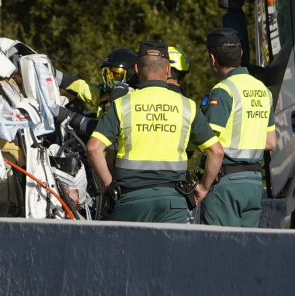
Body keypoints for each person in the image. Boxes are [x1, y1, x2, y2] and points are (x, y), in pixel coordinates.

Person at [87, 40, 224, 223]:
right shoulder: (187, 106)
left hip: (130, 200)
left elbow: (93, 148)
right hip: (173, 201)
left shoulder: (122, 104)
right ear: (168, 70)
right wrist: (203, 188)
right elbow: (216, 151)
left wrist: (108, 185)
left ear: (136, 69)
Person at [200, 28, 277, 227]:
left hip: (226, 184)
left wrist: (202, 185)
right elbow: (270, 143)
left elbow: (205, 145)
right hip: (253, 184)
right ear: (241, 54)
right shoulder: (263, 90)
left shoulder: (223, 90)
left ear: (212, 58)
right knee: (246, 250)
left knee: (218, 249)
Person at [56, 48, 138, 113]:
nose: (110, 81)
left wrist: (73, 118)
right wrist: (53, 73)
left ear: (131, 75)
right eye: (107, 75)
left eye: (116, 76)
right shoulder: (106, 95)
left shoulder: (133, 100)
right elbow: (82, 87)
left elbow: (106, 130)